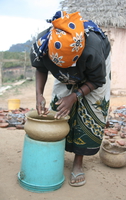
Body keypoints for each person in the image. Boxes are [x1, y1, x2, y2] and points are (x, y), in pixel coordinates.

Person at [30, 11, 111, 187]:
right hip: (70, 62)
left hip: (94, 70)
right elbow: (41, 68)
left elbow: (97, 80)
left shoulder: (93, 48)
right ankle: (55, 155)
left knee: (92, 108)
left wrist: (75, 95)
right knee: (58, 106)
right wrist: (39, 94)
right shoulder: (43, 43)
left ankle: (78, 162)